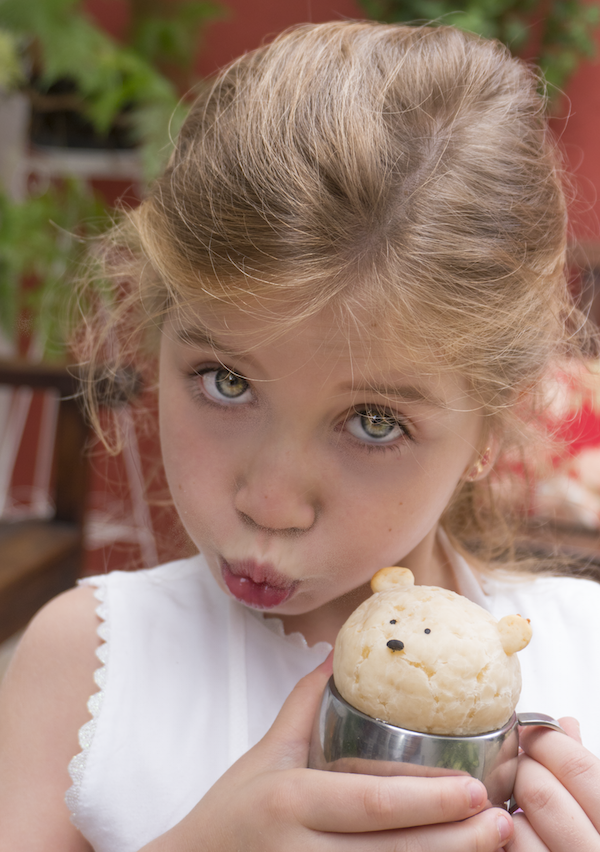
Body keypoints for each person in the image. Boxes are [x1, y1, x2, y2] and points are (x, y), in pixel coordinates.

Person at [1, 19, 600, 852]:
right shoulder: (84, 667)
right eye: (226, 381)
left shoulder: (589, 661)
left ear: (495, 423)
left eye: (375, 422)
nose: (272, 504)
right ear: (158, 336)